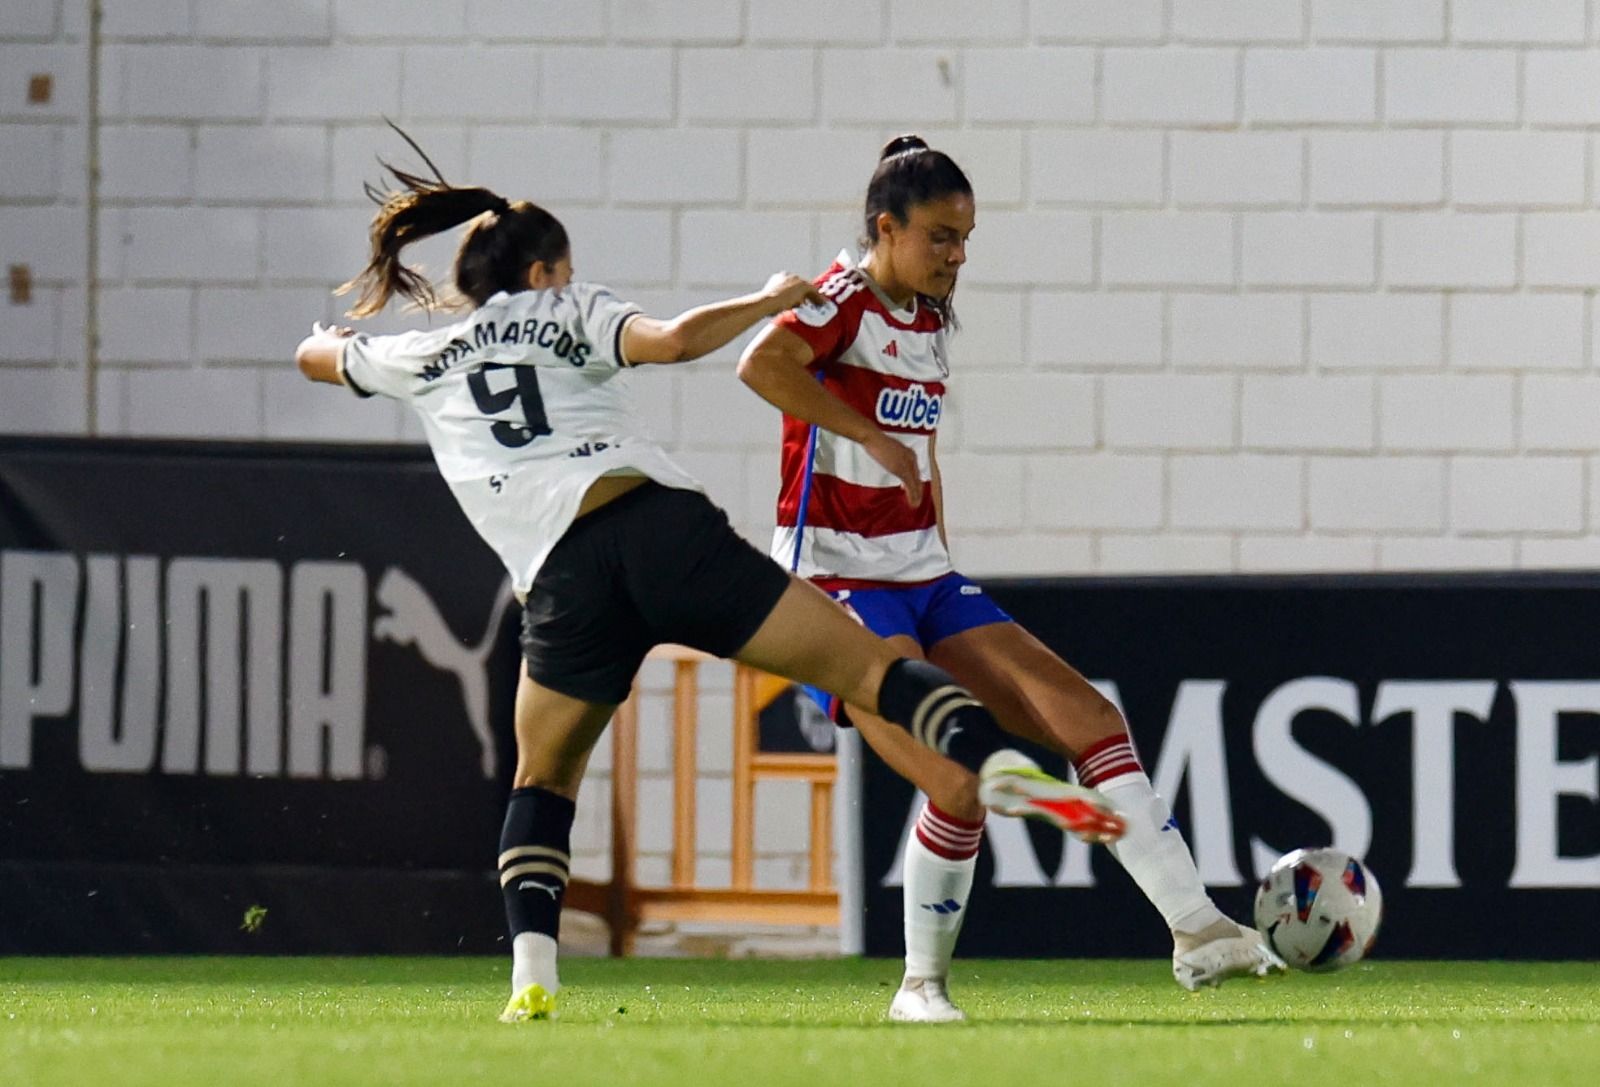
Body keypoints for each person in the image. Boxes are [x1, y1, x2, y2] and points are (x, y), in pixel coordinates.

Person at [291, 133, 1127, 1024]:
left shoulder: (425, 356)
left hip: (564, 580)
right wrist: (766, 300)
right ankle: (988, 757)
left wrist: (329, 341)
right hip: (661, 532)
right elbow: (677, 340)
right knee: (866, 668)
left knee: (543, 777)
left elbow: (318, 359)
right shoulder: (568, 309)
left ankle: (532, 976)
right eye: (565, 267)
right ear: (542, 274)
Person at [738, 135, 1285, 1023]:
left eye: (966, 238)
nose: (958, 255)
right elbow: (759, 363)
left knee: (1092, 719)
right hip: (836, 583)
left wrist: (937, 542)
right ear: (886, 227)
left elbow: (920, 455)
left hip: (923, 572)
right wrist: (867, 434)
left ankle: (1197, 928)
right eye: (941, 236)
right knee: (956, 782)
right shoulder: (840, 300)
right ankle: (919, 987)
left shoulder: (924, 319)